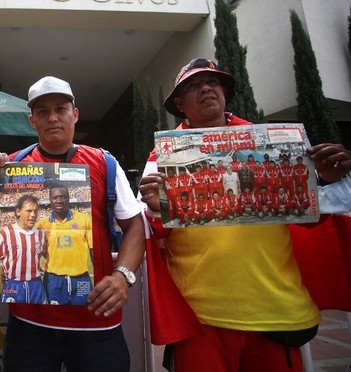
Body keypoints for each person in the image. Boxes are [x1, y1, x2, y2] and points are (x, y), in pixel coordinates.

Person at [138, 58, 351, 371]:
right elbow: (153, 232)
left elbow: (310, 220)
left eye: (213, 83)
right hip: (201, 314)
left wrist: (327, 180)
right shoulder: (161, 157)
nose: (206, 88)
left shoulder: (274, 144)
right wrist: (156, 210)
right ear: (180, 104)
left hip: (276, 307)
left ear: (224, 92)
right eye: (194, 86)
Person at [0, 75, 145, 371]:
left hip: (96, 318)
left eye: (60, 109)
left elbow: (135, 226)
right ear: (31, 120)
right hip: (30, 320)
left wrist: (122, 276)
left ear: (75, 115)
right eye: (42, 111)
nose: (52, 118)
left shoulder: (105, 163)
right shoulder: (12, 166)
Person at [36, 183, 93, 305]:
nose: (59, 201)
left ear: (69, 198)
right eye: (55, 197)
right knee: (53, 318)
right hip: (53, 280)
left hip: (81, 279)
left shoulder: (84, 219)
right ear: (50, 200)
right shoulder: (41, 225)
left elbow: (93, 250)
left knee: (84, 314)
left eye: (63, 197)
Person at [0, 194, 47, 304]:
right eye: (29, 211)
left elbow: (47, 256)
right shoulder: (5, 234)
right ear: (18, 211)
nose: (33, 215)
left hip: (36, 285)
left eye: (36, 211)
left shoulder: (40, 233)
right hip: (13, 284)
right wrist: (3, 273)